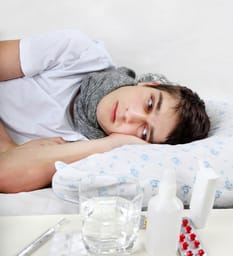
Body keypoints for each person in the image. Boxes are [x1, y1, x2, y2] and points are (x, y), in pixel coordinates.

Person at [0, 29, 210, 193]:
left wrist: (111, 143)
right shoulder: (78, 53)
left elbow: (4, 174)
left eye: (144, 132)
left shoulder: (94, 157)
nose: (131, 116)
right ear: (150, 85)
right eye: (149, 104)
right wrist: (7, 148)